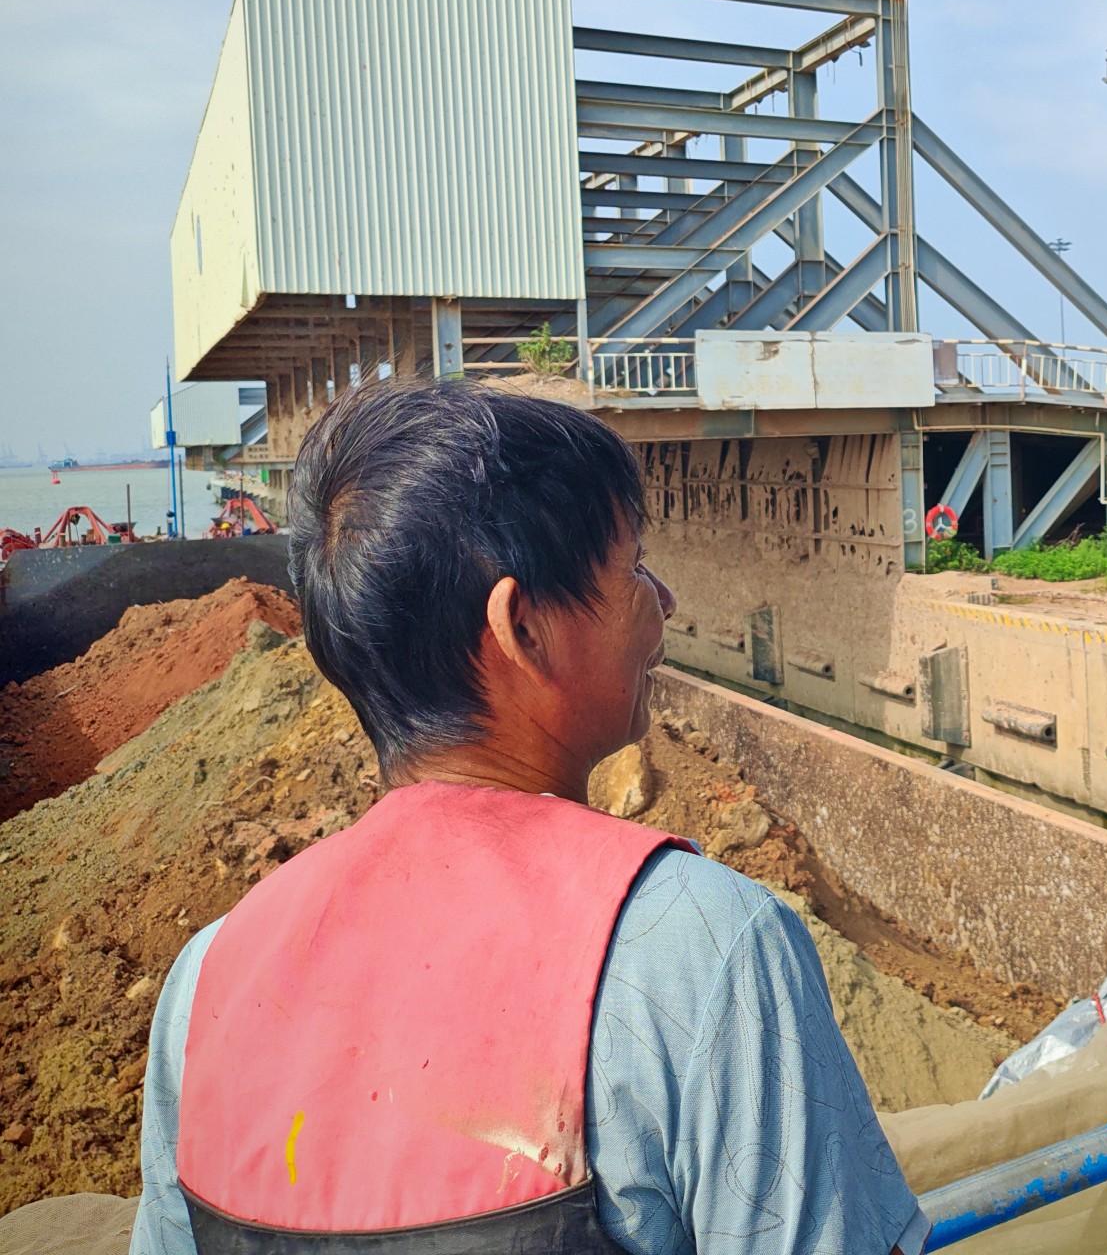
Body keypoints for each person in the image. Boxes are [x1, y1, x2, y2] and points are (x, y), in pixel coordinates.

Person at [131, 381, 928, 1255]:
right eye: (632, 569)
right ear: (523, 628)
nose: (664, 604)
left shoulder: (205, 983)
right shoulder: (707, 950)